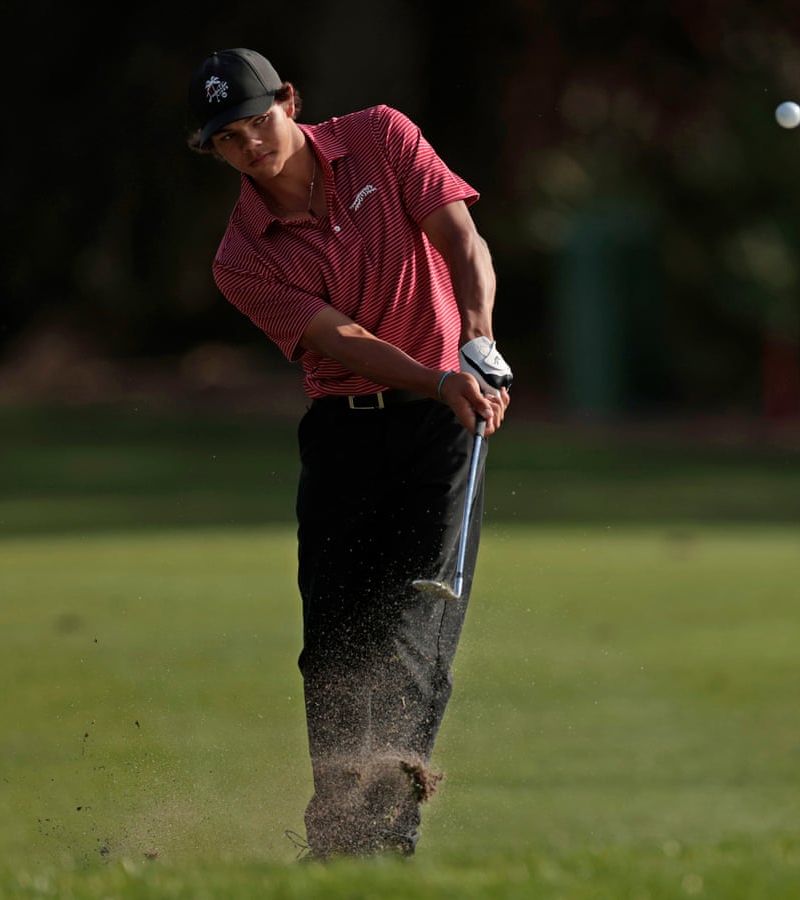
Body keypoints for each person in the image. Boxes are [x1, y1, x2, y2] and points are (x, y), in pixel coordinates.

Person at [185, 48, 513, 859]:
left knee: (415, 620)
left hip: (440, 430)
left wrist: (475, 341)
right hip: (345, 433)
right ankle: (338, 837)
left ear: (289, 102)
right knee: (333, 643)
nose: (249, 145)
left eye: (257, 121)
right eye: (227, 138)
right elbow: (343, 339)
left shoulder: (381, 137)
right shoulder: (241, 256)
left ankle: (385, 834)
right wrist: (439, 378)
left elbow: (462, 237)